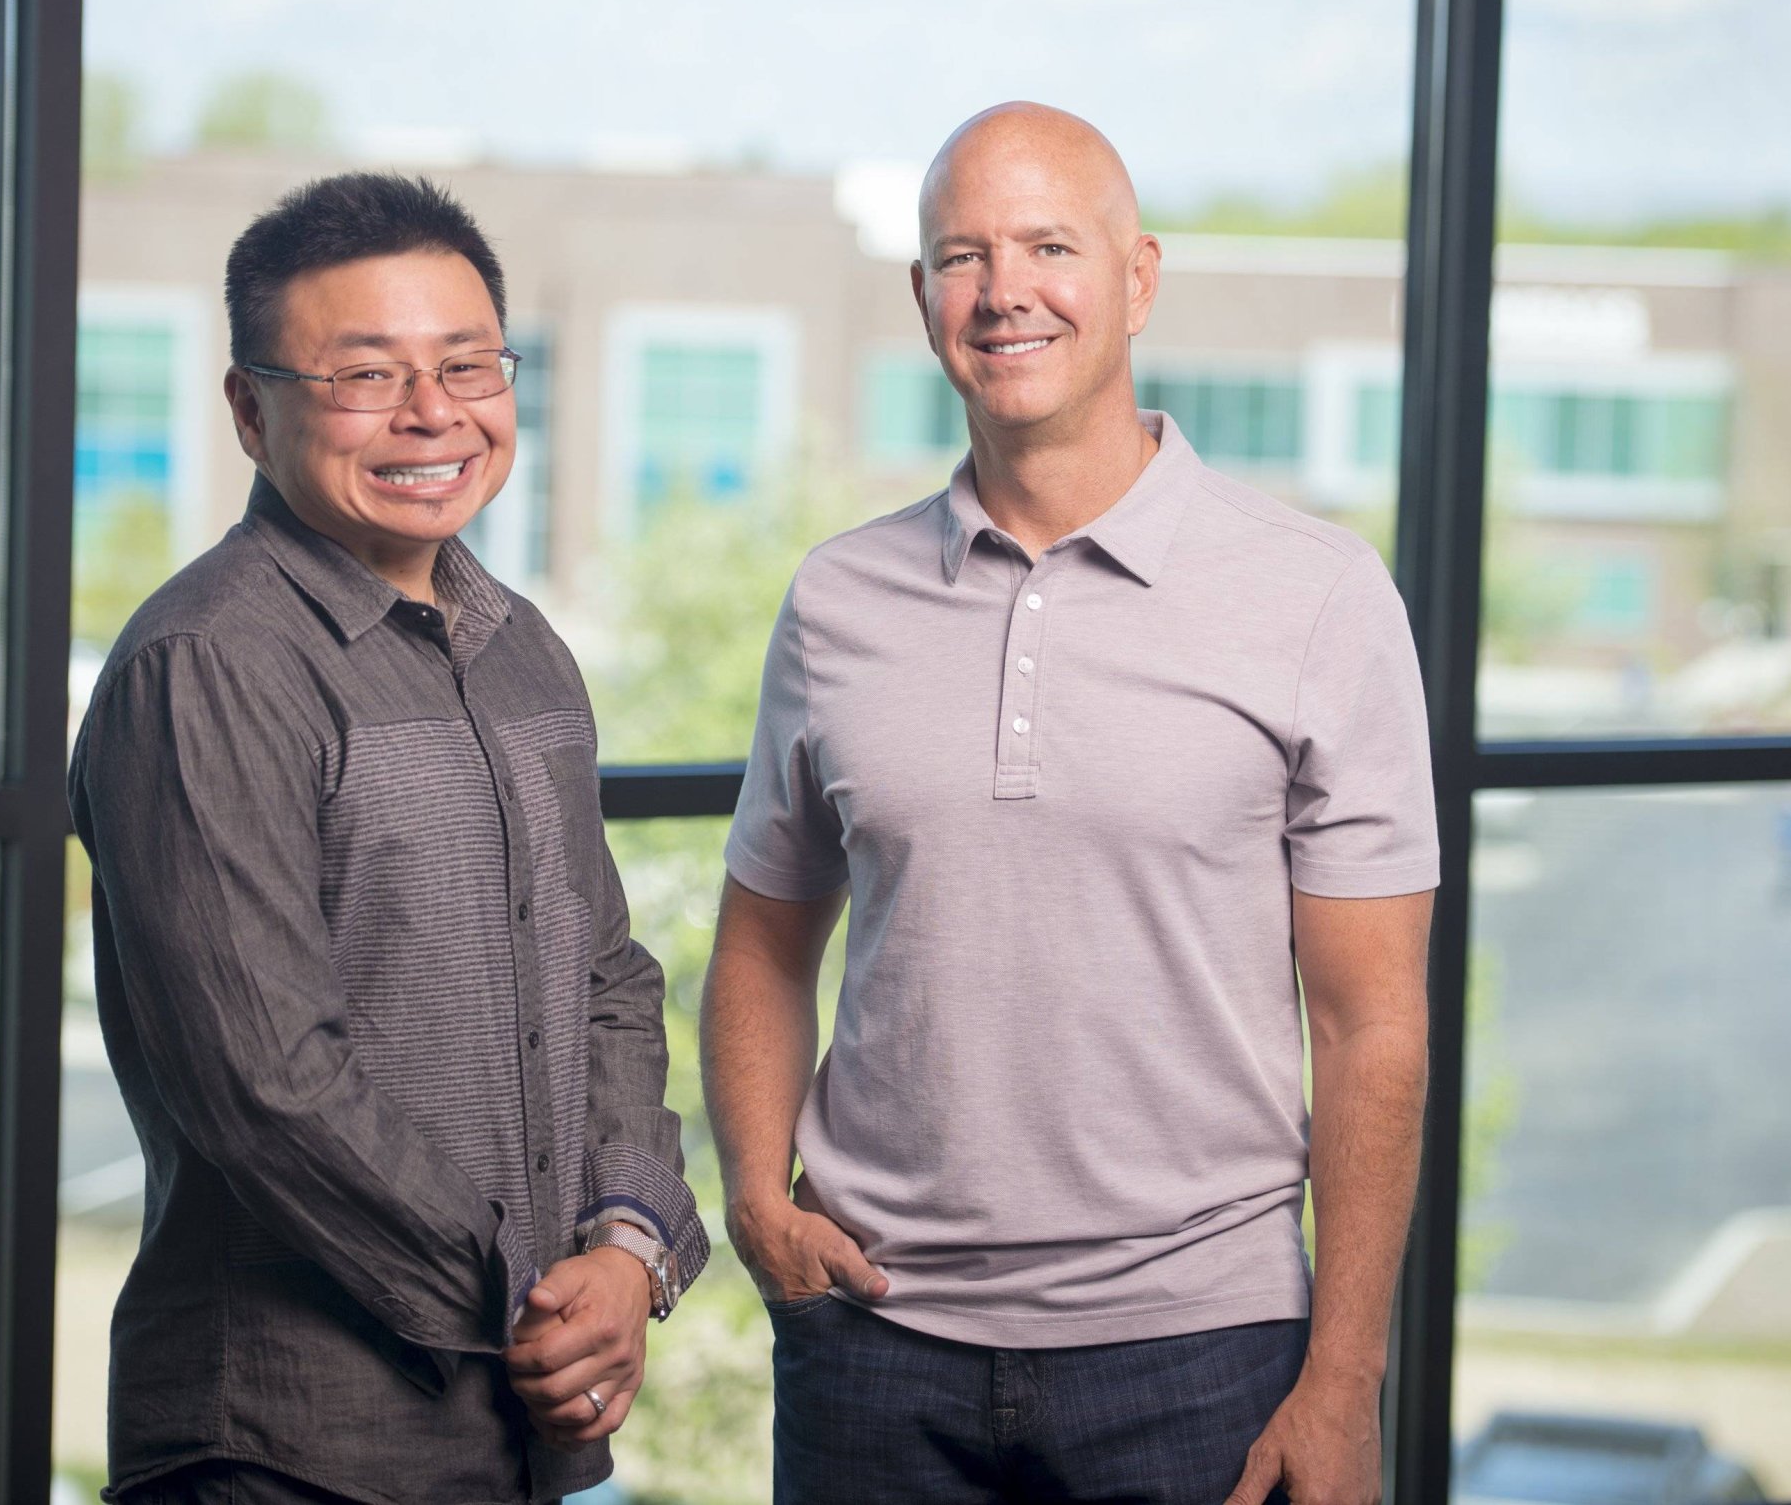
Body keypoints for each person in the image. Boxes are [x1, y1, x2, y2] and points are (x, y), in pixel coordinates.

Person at [704, 104, 1438, 1505]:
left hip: (1201, 1352)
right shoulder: (836, 598)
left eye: (1050, 244)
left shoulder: (1319, 594)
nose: (1005, 290)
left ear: (1138, 278)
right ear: (925, 301)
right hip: (872, 1343)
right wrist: (755, 1192)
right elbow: (761, 940)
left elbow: (1370, 1023)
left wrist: (1345, 1379)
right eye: (963, 255)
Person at [71, 172, 708, 1505]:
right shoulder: (206, 665)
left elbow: (608, 984)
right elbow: (269, 1084)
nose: (434, 414)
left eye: (468, 365)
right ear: (251, 408)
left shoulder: (525, 652)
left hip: (534, 1447)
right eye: (367, 375)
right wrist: (537, 1295)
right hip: (286, 1448)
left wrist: (630, 1248)